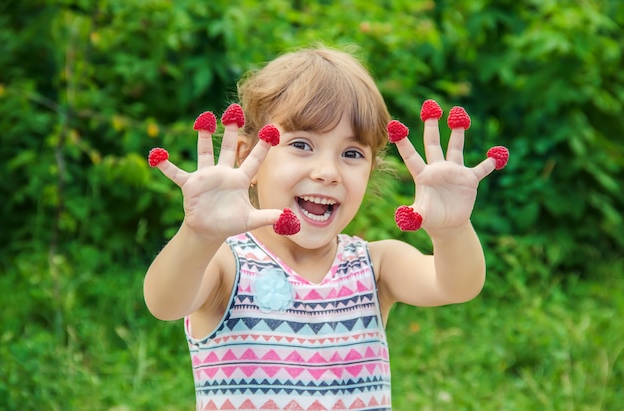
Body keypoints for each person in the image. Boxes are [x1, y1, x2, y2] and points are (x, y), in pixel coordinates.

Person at [143, 46, 506, 411]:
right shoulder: (225, 265)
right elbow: (165, 302)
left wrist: (452, 229)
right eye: (301, 145)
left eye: (351, 154)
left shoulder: (376, 266)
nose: (327, 172)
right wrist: (199, 235)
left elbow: (456, 285)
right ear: (245, 155)